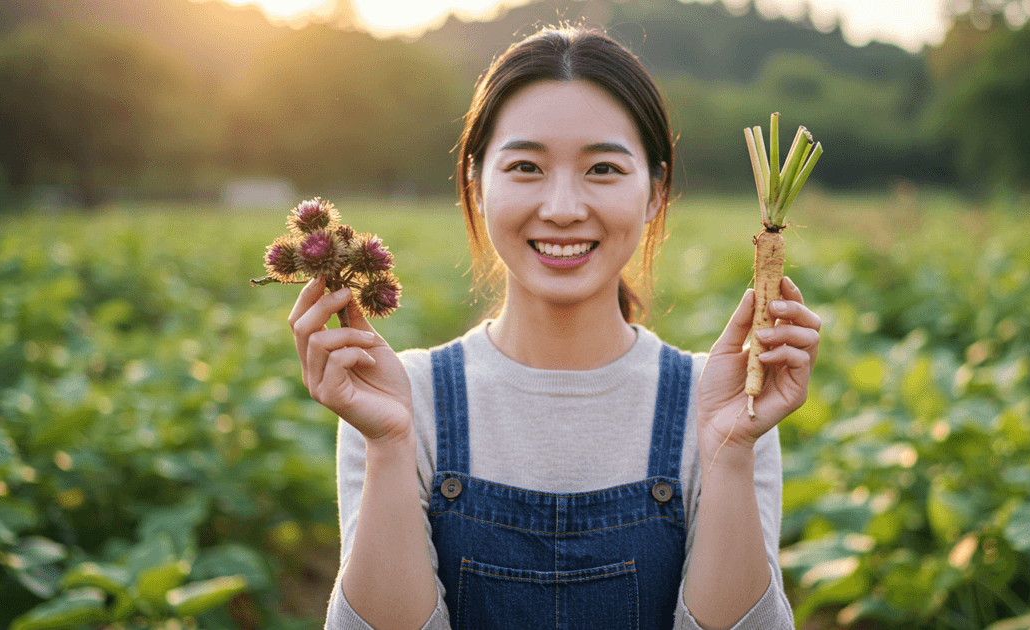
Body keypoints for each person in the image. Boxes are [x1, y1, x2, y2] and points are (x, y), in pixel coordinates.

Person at [291, 25, 820, 630]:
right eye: (525, 166)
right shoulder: (397, 398)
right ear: (476, 183)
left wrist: (728, 454)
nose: (564, 207)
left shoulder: (727, 401)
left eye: (602, 169)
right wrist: (388, 447)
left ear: (656, 190)